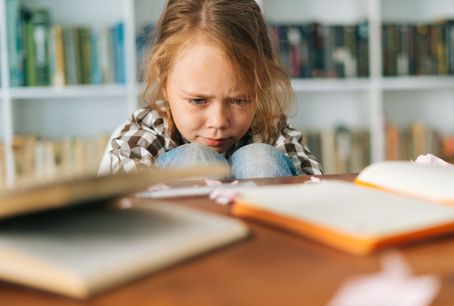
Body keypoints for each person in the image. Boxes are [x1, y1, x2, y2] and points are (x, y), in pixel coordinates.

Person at [99, 0, 322, 178]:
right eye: (198, 100)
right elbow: (126, 210)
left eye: (239, 100)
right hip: (180, 232)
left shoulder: (271, 128)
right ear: (164, 81)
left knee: (260, 159)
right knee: (195, 160)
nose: (218, 122)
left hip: (266, 230)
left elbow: (316, 191)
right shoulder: (144, 133)